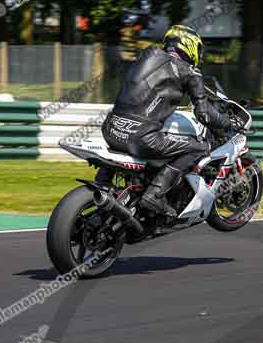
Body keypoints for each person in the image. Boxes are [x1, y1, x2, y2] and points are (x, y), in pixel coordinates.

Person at [98, 25, 232, 218]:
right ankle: (154, 194)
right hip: (141, 139)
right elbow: (204, 114)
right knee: (200, 147)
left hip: (111, 129)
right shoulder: (188, 71)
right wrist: (227, 122)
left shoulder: (146, 55)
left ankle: (102, 182)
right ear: (190, 46)